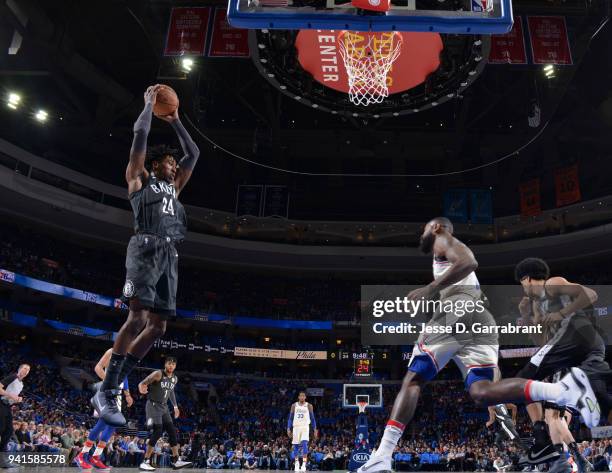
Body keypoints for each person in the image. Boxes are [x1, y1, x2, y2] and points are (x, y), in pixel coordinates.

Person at [357, 217, 601, 473]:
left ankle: (382, 455)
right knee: (481, 392)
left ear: (437, 227)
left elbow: (470, 260)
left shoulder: (444, 239)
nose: (423, 234)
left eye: (425, 228)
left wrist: (431, 288)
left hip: (458, 312)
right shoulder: (527, 302)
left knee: (414, 378)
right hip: (480, 321)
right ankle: (562, 393)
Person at [91, 84, 200, 427]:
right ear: (155, 165)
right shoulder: (139, 179)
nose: (173, 165)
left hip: (169, 254)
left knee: (157, 326)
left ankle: (110, 385)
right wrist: (149, 105)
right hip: (144, 248)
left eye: (173, 162)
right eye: (168, 162)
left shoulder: (174, 187)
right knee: (136, 319)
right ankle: (107, 391)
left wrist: (177, 120)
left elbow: (193, 154)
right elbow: (140, 132)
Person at [514, 257, 612, 473]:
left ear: (527, 279)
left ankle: (557, 450)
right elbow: (542, 341)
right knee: (552, 416)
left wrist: (561, 313)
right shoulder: (537, 306)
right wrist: (526, 317)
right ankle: (572, 459)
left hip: (582, 344)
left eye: (521, 283)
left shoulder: (552, 283)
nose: (523, 289)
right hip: (565, 357)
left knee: (528, 384)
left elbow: (591, 294)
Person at [76, 348, 133, 471]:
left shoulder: (128, 356)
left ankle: (95, 457)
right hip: (107, 393)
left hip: (117, 396)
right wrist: (109, 383)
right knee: (101, 424)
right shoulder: (112, 351)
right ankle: (81, 455)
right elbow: (98, 368)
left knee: (112, 426)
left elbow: (125, 377)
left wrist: (127, 394)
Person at [138, 357, 192, 470]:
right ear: (165, 364)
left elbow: (171, 391)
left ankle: (176, 460)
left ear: (175, 366)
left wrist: (176, 407)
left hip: (164, 407)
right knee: (158, 431)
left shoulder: (175, 379)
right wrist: (141, 387)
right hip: (153, 404)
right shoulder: (158, 374)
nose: (171, 366)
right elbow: (143, 382)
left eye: (173, 364)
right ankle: (145, 461)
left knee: (172, 431)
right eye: (169, 364)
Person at [0, 363, 30, 468]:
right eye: (25, 368)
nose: (26, 371)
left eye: (28, 370)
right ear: (20, 369)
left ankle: (2, 459)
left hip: (7, 406)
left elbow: (11, 397)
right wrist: (11, 395)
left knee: (8, 432)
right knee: (2, 430)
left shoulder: (21, 385)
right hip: (1, 404)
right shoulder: (13, 377)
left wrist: (17, 399)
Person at [288, 391, 318, 471]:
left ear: (305, 397)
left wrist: (315, 429)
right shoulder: (294, 405)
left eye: (303, 396)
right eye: (300, 396)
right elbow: (290, 418)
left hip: (305, 427)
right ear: (298, 397)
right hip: (296, 427)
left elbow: (312, 419)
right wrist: (288, 428)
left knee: (305, 444)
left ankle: (304, 464)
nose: (302, 397)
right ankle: (297, 463)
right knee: (296, 446)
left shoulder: (309, 405)